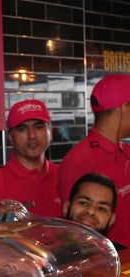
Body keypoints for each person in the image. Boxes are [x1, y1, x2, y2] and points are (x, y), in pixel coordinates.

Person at [58, 74, 130, 248]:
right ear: (124, 108)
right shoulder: (78, 160)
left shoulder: (126, 152)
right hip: (106, 264)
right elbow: (76, 233)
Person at [0, 99, 62, 217]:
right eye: (22, 129)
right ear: (10, 137)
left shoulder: (63, 175)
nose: (32, 135)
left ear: (50, 131)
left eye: (38, 127)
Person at [64, 172, 121, 246]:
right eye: (83, 203)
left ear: (111, 220)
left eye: (101, 209)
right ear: (66, 208)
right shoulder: (45, 252)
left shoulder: (124, 255)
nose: (91, 211)